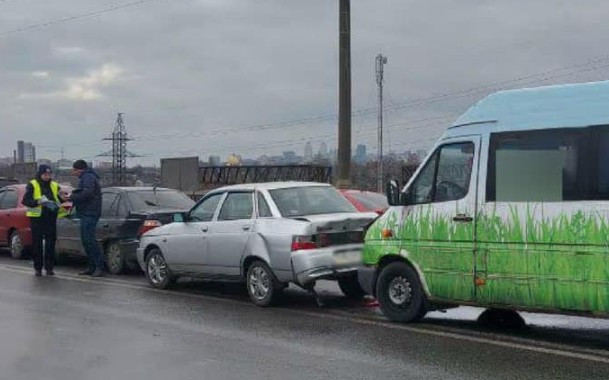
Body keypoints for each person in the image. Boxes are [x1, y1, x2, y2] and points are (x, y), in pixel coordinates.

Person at [22, 165, 67, 276]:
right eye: (45, 174)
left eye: (49, 174)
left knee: (50, 244)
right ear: (40, 174)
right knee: (37, 244)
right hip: (37, 218)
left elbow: (58, 199)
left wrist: (63, 198)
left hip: (51, 218)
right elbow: (26, 201)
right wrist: (38, 202)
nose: (47, 176)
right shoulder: (33, 184)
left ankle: (49, 268)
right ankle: (38, 268)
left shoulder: (55, 185)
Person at [67, 160, 103, 277]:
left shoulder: (88, 177)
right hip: (86, 212)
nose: (74, 173)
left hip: (90, 213)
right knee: (86, 241)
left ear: (80, 169)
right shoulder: (86, 177)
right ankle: (91, 266)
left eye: (74, 170)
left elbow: (88, 193)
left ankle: (98, 266)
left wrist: (72, 197)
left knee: (89, 240)